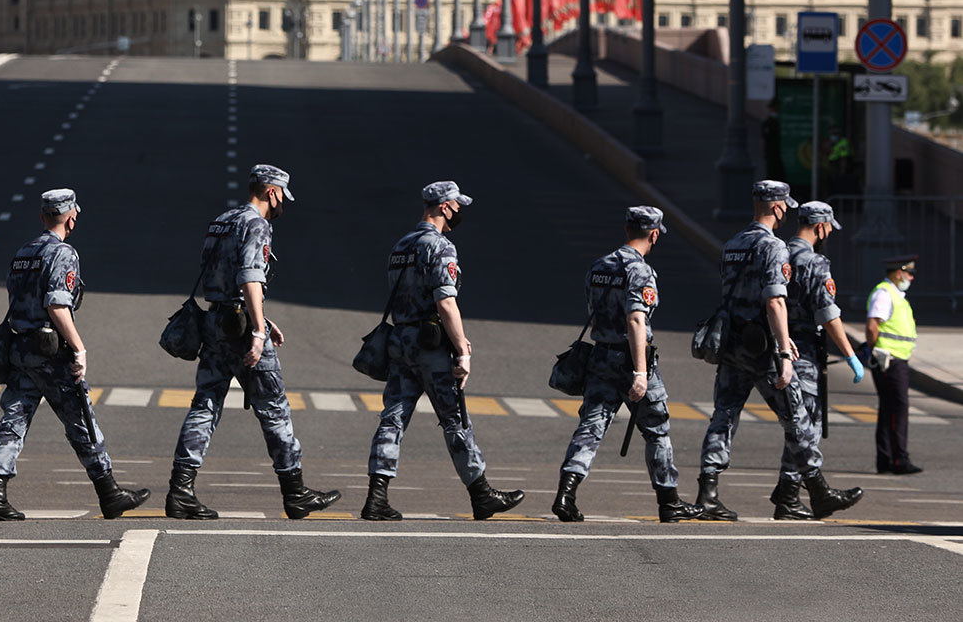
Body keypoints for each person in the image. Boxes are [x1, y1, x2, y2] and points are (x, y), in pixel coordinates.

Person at [165, 164, 340, 520]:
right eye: (281, 198)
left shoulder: (221, 221)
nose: (282, 206)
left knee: (205, 405)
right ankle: (295, 493)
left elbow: (218, 276)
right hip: (242, 330)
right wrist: (258, 330)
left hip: (215, 321)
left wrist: (259, 318)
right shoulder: (258, 224)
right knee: (274, 408)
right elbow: (249, 277)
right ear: (271, 191)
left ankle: (180, 491)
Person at [695, 180, 863, 521]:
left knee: (723, 416)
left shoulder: (733, 245)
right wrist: (785, 351)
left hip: (732, 344)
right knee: (798, 419)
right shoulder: (773, 247)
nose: (786, 211)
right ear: (776, 207)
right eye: (784, 205)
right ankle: (816, 490)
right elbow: (774, 300)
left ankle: (707, 493)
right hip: (763, 348)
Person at [0, 189, 150, 521]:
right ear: (71, 217)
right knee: (81, 419)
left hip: (20, 349)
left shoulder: (22, 252)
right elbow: (57, 305)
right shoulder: (63, 253)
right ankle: (109, 492)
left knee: (13, 421)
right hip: (50, 352)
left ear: (43, 216)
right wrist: (78, 348)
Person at [361, 181, 524, 522]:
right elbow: (446, 302)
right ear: (445, 206)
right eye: (457, 206)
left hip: (400, 342)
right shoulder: (440, 246)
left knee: (393, 417)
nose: (459, 213)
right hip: (431, 346)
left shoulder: (401, 245)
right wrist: (462, 349)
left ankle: (376, 497)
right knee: (454, 418)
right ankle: (481, 494)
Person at [551, 206, 700, 524]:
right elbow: (635, 319)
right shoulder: (641, 271)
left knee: (590, 427)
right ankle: (669, 501)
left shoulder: (598, 266)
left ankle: (566, 494)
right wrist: (641, 372)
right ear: (654, 234)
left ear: (627, 229)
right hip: (633, 358)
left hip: (601, 356)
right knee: (657, 430)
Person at [773, 201, 867, 518]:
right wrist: (852, 355)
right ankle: (805, 493)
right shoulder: (814, 262)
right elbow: (828, 315)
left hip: (775, 347)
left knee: (795, 424)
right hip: (802, 354)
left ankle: (787, 495)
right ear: (821, 227)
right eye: (829, 229)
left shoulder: (777, 253)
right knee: (806, 425)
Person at [866, 255, 921, 474]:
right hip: (889, 360)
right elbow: (872, 326)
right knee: (899, 408)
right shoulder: (884, 293)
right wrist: (874, 350)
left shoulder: (895, 294)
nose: (911, 278)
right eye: (909, 273)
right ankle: (899, 460)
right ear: (899, 273)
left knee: (890, 408)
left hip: (895, 359)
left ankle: (886, 460)